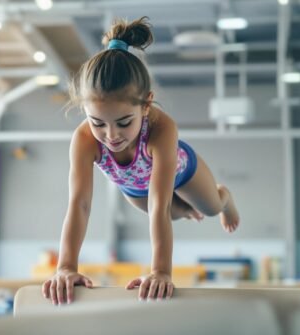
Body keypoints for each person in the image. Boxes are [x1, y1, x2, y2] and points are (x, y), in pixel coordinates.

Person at [42, 16, 240, 305]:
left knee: (207, 207)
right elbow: (80, 204)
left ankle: (225, 198)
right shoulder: (84, 139)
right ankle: (185, 210)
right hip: (135, 189)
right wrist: (66, 267)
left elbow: (159, 205)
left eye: (123, 122)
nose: (111, 135)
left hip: (182, 173)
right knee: (174, 212)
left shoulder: (162, 129)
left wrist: (160, 272)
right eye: (97, 122)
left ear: (146, 104)